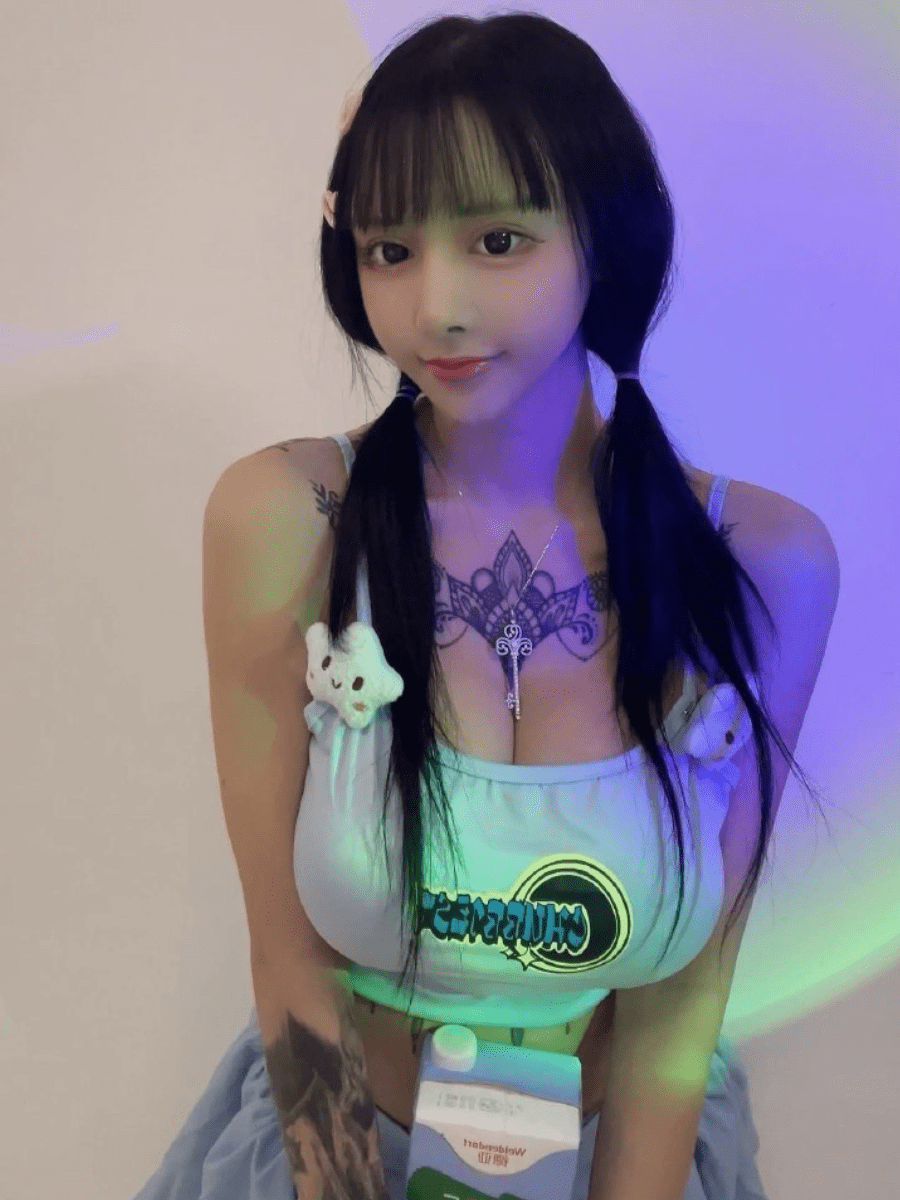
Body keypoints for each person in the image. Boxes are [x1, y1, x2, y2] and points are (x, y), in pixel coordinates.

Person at [134, 11, 837, 1200]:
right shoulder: (286, 519)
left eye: (498, 240)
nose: (436, 308)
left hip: (620, 1165)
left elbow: (683, 1004)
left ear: (603, 236)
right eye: (390, 249)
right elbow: (290, 961)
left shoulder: (762, 558)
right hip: (338, 1163)